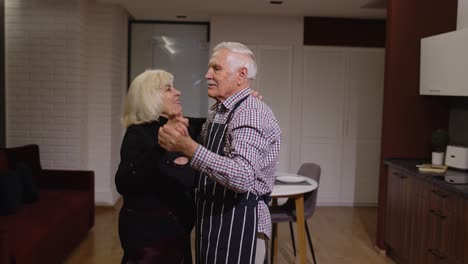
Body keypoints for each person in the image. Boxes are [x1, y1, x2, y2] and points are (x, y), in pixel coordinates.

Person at [158, 42, 281, 264]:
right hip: (214, 218)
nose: (207, 75)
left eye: (216, 68)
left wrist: (190, 149)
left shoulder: (250, 112)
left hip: (241, 222)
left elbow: (243, 176)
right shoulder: (218, 110)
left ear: (241, 75)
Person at [114, 69, 205, 263]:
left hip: (178, 239)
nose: (178, 92)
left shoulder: (180, 126)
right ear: (151, 97)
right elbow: (124, 182)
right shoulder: (138, 134)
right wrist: (160, 148)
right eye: (168, 88)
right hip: (149, 244)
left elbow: (212, 123)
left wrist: (241, 105)